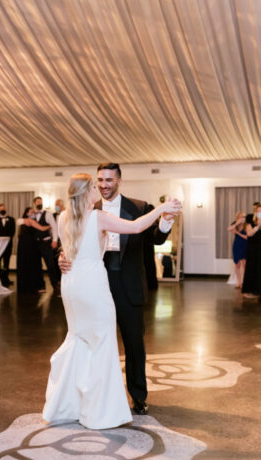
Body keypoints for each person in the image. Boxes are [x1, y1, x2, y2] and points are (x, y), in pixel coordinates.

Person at [44, 172, 180, 429]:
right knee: (102, 343)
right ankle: (100, 410)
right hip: (93, 283)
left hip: (73, 284)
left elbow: (69, 247)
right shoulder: (97, 216)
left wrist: (64, 258)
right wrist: (162, 206)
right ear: (88, 191)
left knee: (79, 339)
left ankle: (69, 403)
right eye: (96, 185)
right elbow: (137, 226)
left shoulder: (63, 216)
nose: (100, 188)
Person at [30, 196, 62, 290]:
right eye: (38, 202)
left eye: (41, 202)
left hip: (46, 242)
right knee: (37, 265)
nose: (40, 203)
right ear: (34, 203)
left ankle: (55, 284)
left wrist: (55, 240)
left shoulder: (47, 214)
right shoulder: (32, 215)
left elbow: (54, 226)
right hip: (35, 244)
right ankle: (41, 285)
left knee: (50, 264)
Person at [17, 207, 49, 293]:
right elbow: (42, 228)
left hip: (23, 246)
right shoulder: (30, 221)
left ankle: (25, 286)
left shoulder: (22, 221)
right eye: (31, 212)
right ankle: (36, 286)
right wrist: (51, 225)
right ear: (27, 213)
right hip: (30, 246)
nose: (33, 214)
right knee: (34, 264)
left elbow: (18, 221)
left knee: (25, 264)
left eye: (34, 212)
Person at [0, 203, 16, 286]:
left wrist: (7, 240)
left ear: (6, 209)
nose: (2, 210)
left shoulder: (11, 219)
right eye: (0, 209)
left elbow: (13, 232)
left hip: (8, 245)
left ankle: (6, 278)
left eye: (3, 208)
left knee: (7, 262)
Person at [241, 202, 261, 298]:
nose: (259, 213)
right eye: (258, 211)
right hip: (253, 248)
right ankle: (248, 291)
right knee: (251, 268)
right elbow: (249, 234)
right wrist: (258, 227)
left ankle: (258, 291)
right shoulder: (250, 218)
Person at [228, 212, 249, 288]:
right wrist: (237, 224)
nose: (242, 218)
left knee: (245, 264)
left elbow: (246, 237)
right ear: (237, 217)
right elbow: (229, 229)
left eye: (243, 217)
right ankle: (239, 283)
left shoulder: (247, 225)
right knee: (237, 264)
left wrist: (237, 233)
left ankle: (245, 283)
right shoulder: (235, 223)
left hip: (245, 245)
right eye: (240, 217)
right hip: (237, 245)